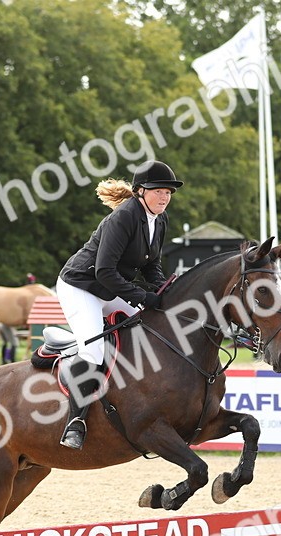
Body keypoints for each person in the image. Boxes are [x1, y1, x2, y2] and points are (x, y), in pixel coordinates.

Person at [54, 160, 181, 449]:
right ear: (139, 192)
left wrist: (163, 291)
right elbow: (103, 271)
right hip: (81, 286)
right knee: (94, 349)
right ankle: (76, 421)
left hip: (110, 287)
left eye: (168, 193)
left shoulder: (159, 220)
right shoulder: (123, 217)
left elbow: (152, 265)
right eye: (158, 191)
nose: (164, 197)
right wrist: (144, 297)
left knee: (149, 329)